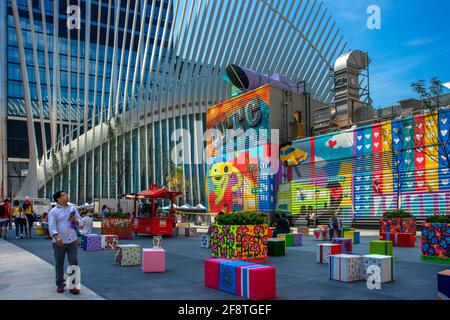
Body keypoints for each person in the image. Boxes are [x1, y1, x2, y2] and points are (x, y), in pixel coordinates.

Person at [48, 191, 84, 294]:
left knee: (74, 262)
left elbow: (80, 223)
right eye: (63, 195)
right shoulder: (53, 211)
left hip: (72, 240)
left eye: (66, 194)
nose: (66, 196)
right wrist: (56, 237)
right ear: (58, 199)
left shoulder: (72, 208)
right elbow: (51, 226)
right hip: (59, 241)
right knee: (59, 264)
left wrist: (75, 221)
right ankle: (60, 284)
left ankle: (73, 285)